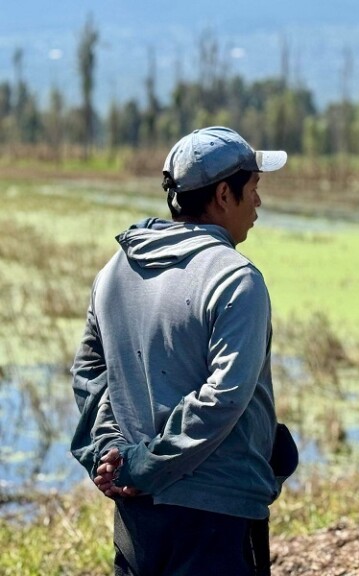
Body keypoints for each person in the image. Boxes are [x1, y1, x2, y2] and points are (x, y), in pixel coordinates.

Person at [70, 126, 297, 576]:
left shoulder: (114, 272)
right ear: (223, 195)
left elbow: (90, 373)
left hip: (138, 514)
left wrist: (112, 455)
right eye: (252, 189)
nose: (258, 202)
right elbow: (224, 397)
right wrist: (141, 464)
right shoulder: (235, 278)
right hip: (217, 513)